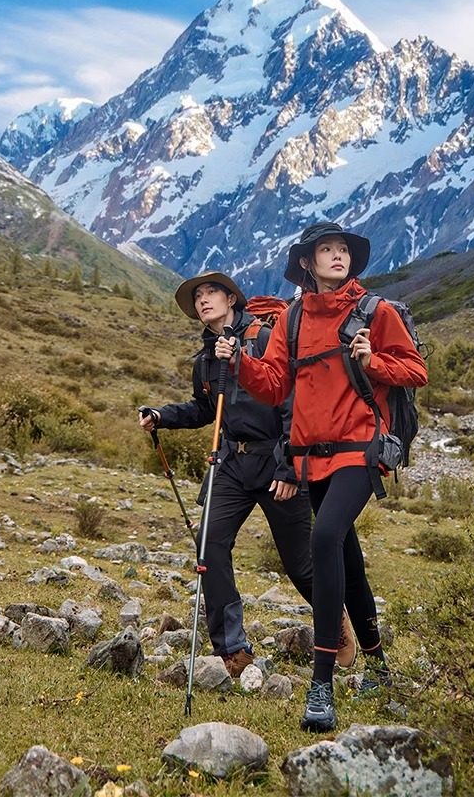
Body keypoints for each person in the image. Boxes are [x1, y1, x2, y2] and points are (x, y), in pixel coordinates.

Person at [215, 222, 428, 730]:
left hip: (360, 450)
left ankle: (321, 684)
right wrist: (240, 361)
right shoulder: (291, 319)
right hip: (312, 459)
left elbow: (415, 370)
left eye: (343, 250)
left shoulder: (374, 312)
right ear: (307, 264)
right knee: (347, 559)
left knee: (326, 538)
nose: (338, 256)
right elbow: (272, 385)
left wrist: (374, 361)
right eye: (326, 250)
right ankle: (378, 664)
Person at [139, 272, 356, 678]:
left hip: (277, 461)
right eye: (198, 296)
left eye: (211, 293)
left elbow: (296, 402)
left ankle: (335, 622)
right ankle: (233, 650)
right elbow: (204, 410)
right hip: (231, 464)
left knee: (302, 566)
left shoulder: (264, 338)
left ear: (231, 298)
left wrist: (292, 465)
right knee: (209, 546)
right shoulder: (205, 358)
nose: (204, 300)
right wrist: (162, 416)